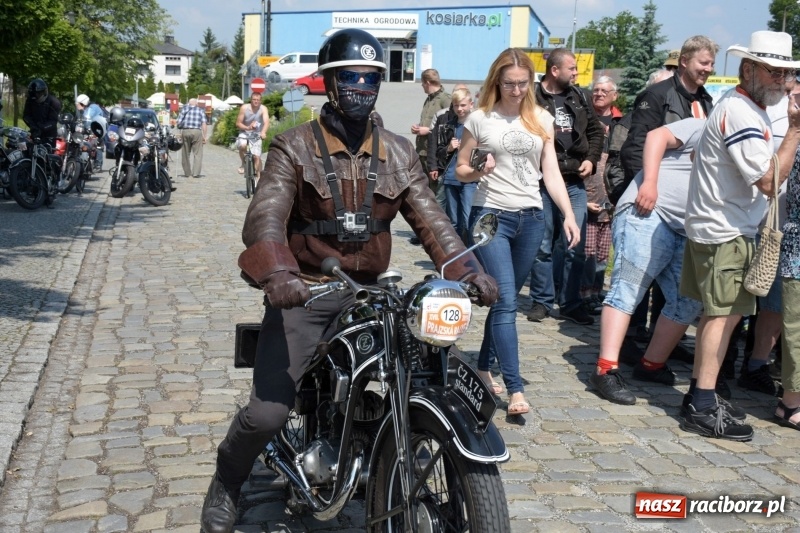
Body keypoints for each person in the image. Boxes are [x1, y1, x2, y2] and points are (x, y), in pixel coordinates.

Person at [200, 29, 498, 533]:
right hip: (309, 288)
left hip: (375, 293)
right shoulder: (293, 146)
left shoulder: (399, 152)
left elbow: (433, 222)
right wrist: (278, 273)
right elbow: (266, 214)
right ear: (332, 83)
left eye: (371, 78)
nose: (362, 86)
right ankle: (226, 481)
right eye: (351, 77)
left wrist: (469, 271)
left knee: (422, 367)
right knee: (268, 414)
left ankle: (385, 446)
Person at [680, 30, 800, 441]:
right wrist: (796, 131)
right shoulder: (742, 111)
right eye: (773, 71)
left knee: (724, 316)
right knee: (722, 316)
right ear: (747, 68)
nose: (781, 81)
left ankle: (703, 395)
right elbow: (769, 180)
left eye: (785, 72)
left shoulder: (746, 107)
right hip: (725, 229)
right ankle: (702, 401)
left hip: (724, 226)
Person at [456, 48, 580, 416]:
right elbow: (461, 167)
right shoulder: (479, 118)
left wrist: (568, 214)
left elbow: (552, 172)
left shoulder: (541, 117)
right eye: (508, 83)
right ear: (497, 81)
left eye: (522, 83)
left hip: (531, 217)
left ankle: (481, 367)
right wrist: (480, 166)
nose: (515, 89)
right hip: (491, 216)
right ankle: (515, 388)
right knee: (508, 301)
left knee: (502, 300)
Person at [589, 118, 706, 405]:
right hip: (646, 213)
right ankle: (605, 370)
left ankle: (651, 365)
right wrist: (650, 183)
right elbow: (655, 136)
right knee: (628, 288)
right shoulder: (702, 126)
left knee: (689, 300)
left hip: (686, 227)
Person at [620, 36, 718, 359]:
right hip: (650, 201)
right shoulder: (657, 94)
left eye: (712, 63)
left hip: (685, 209)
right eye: (704, 62)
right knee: (637, 277)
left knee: (676, 284)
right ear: (685, 61)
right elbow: (636, 145)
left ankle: (662, 345)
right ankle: (629, 338)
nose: (709, 69)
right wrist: (647, 189)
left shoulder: (706, 102)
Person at [527, 48, 604, 326]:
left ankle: (571, 303)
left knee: (575, 245)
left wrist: (591, 159)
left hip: (573, 182)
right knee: (543, 245)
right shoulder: (532, 97)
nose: (576, 73)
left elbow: (595, 132)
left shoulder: (579, 96)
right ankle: (542, 301)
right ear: (554, 70)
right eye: (572, 68)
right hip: (541, 182)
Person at [581, 76, 622, 314]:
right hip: (586, 191)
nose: (598, 94)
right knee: (585, 251)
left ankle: (596, 292)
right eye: (595, 90)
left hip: (609, 196)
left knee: (603, 252)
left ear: (614, 95)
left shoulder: (620, 122)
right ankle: (582, 294)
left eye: (604, 90)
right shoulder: (584, 118)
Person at [409, 68, 450, 245]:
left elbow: (448, 127)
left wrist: (428, 130)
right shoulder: (430, 99)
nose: (422, 86)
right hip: (424, 151)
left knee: (436, 196)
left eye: (422, 83)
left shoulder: (445, 99)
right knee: (425, 194)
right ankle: (426, 232)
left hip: (435, 154)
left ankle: (437, 234)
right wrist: (420, 128)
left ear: (427, 83)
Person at [433, 88, 477, 242]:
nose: (460, 109)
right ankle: (458, 256)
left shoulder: (477, 125)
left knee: (468, 220)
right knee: (453, 222)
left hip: (470, 179)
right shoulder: (449, 125)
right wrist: (449, 148)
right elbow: (439, 151)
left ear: (471, 104)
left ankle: (472, 256)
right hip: (451, 178)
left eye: (463, 105)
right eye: (456, 105)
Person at [235, 91, 270, 181]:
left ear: (260, 101)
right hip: (245, 131)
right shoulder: (244, 108)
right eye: (254, 99)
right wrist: (247, 127)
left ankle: (259, 178)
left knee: (256, 156)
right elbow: (238, 123)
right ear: (251, 100)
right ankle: (243, 163)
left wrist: (263, 132)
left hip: (257, 133)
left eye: (258, 100)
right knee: (242, 146)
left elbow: (266, 122)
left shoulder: (263, 109)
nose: (256, 101)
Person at [23, 78, 61, 145]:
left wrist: (41, 128)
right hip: (35, 132)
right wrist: (33, 127)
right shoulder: (30, 100)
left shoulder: (54, 102)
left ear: (43, 92)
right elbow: (26, 116)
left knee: (47, 152)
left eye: (37, 94)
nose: (35, 96)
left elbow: (53, 121)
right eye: (33, 94)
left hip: (49, 134)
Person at [176, 98, 208, 178]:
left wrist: (180, 133)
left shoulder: (184, 110)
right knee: (198, 153)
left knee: (185, 153)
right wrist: (204, 136)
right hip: (197, 131)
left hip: (186, 131)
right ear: (196, 104)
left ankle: (187, 173)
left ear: (189, 104)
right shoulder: (200, 111)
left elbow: (179, 123)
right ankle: (196, 173)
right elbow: (204, 124)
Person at [75, 93, 104, 171]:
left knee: (97, 144)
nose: (77, 105)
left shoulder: (92, 108)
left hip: (97, 129)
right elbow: (81, 120)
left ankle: (98, 163)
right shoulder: (86, 109)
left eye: (78, 104)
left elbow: (87, 119)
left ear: (83, 103)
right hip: (91, 128)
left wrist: (86, 128)